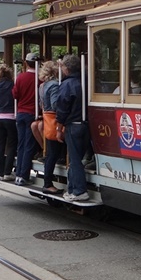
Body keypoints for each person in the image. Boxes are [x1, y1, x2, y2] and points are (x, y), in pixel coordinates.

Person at [56, 54, 90, 202]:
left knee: (74, 159)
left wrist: (59, 127)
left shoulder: (67, 84)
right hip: (86, 124)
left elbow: (62, 107)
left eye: (63, 66)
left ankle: (79, 190)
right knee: (79, 158)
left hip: (73, 125)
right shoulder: (86, 82)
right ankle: (72, 189)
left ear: (67, 69)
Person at [12, 52, 42, 186]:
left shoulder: (20, 77)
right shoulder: (39, 79)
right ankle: (24, 175)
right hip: (32, 113)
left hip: (20, 113)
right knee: (29, 145)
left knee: (21, 144)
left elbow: (15, 94)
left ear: (26, 63)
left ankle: (18, 174)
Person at [36, 60, 64, 194]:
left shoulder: (42, 86)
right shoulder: (54, 85)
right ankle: (48, 183)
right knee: (53, 154)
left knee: (50, 153)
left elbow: (42, 104)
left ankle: (48, 182)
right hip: (53, 120)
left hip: (46, 119)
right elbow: (55, 105)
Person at [0, 63, 17, 182]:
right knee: (11, 145)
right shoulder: (12, 85)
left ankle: (1, 172)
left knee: (0, 145)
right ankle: (7, 172)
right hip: (11, 117)